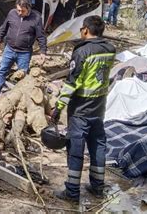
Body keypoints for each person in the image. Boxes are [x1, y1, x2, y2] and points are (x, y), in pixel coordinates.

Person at [50, 15, 116, 204]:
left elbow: (72, 83)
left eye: (81, 29)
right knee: (98, 146)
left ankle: (72, 191)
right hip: (99, 107)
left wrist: (58, 107)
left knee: (76, 149)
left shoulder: (82, 51)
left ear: (85, 30)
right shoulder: (110, 49)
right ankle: (97, 187)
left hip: (81, 108)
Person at [0, 0, 47, 103]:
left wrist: (43, 51)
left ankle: (21, 100)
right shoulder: (12, 13)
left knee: (23, 76)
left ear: (28, 8)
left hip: (24, 53)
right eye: (18, 10)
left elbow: (41, 36)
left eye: (22, 11)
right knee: (2, 71)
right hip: (9, 49)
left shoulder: (36, 18)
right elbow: (3, 28)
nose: (19, 13)